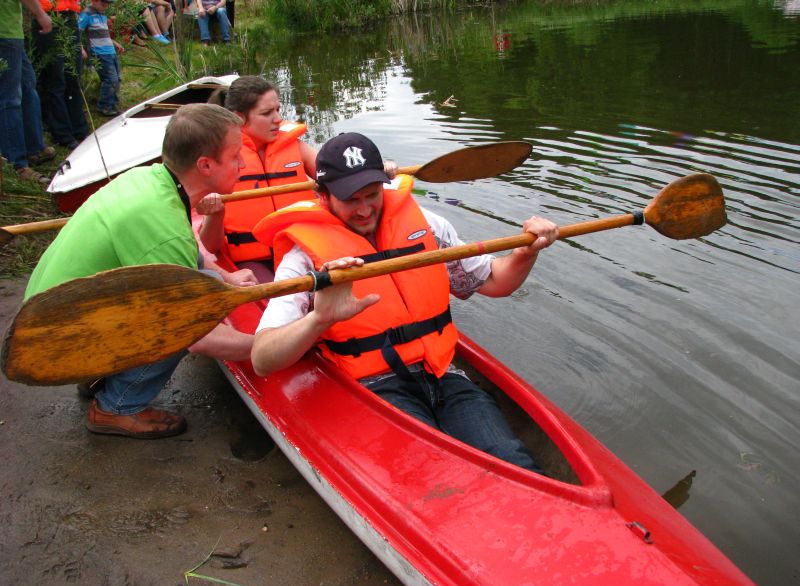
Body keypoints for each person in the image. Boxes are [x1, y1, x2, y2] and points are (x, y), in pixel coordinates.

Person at [249, 133, 559, 472]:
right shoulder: (303, 260)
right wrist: (319, 319)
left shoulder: (428, 226)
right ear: (322, 196)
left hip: (442, 372)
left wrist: (526, 252)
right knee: (432, 471)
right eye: (351, 199)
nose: (364, 209)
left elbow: (497, 282)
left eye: (372, 194)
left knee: (512, 459)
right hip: (373, 388)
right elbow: (263, 359)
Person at [25, 104, 256, 439]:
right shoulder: (163, 224)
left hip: (51, 319)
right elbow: (196, 335)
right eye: (235, 156)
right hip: (51, 342)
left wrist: (228, 277)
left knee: (208, 283)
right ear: (205, 165)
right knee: (187, 317)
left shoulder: (150, 180)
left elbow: (184, 251)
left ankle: (97, 374)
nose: (243, 164)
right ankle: (115, 408)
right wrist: (265, 345)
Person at [198, 76, 318, 282]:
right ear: (238, 118)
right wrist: (216, 214)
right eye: (266, 113)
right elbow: (211, 246)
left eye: (278, 110)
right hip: (254, 259)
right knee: (277, 294)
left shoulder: (294, 145)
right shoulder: (220, 160)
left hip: (302, 246)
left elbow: (335, 171)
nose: (278, 119)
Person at [0, 0, 55, 185]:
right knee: (10, 99)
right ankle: (16, 163)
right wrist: (40, 14)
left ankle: (34, 149)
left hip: (11, 32)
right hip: (5, 33)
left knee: (27, 87)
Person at [30, 0, 88, 151]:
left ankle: (79, 129)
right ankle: (62, 134)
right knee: (55, 80)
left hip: (70, 16)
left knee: (73, 77)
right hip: (48, 15)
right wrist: (40, 14)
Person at [78, 0, 123, 117]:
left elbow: (104, 34)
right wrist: (81, 48)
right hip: (100, 53)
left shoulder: (102, 15)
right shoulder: (87, 14)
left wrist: (114, 43)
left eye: (107, 5)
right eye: (103, 4)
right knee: (110, 79)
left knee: (117, 79)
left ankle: (113, 105)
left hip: (110, 52)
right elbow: (78, 31)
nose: (105, 7)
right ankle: (104, 106)